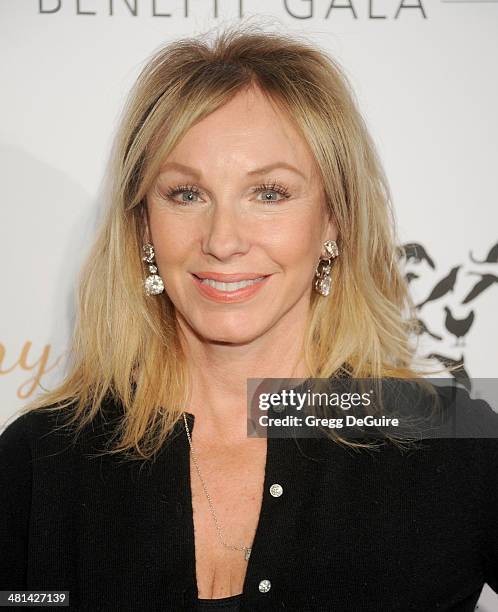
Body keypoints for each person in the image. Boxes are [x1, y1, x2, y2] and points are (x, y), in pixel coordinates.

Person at [1, 23, 497, 612]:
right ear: (142, 225)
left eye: (269, 193)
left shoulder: (448, 439)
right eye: (186, 194)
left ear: (334, 219)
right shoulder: (39, 462)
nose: (223, 240)